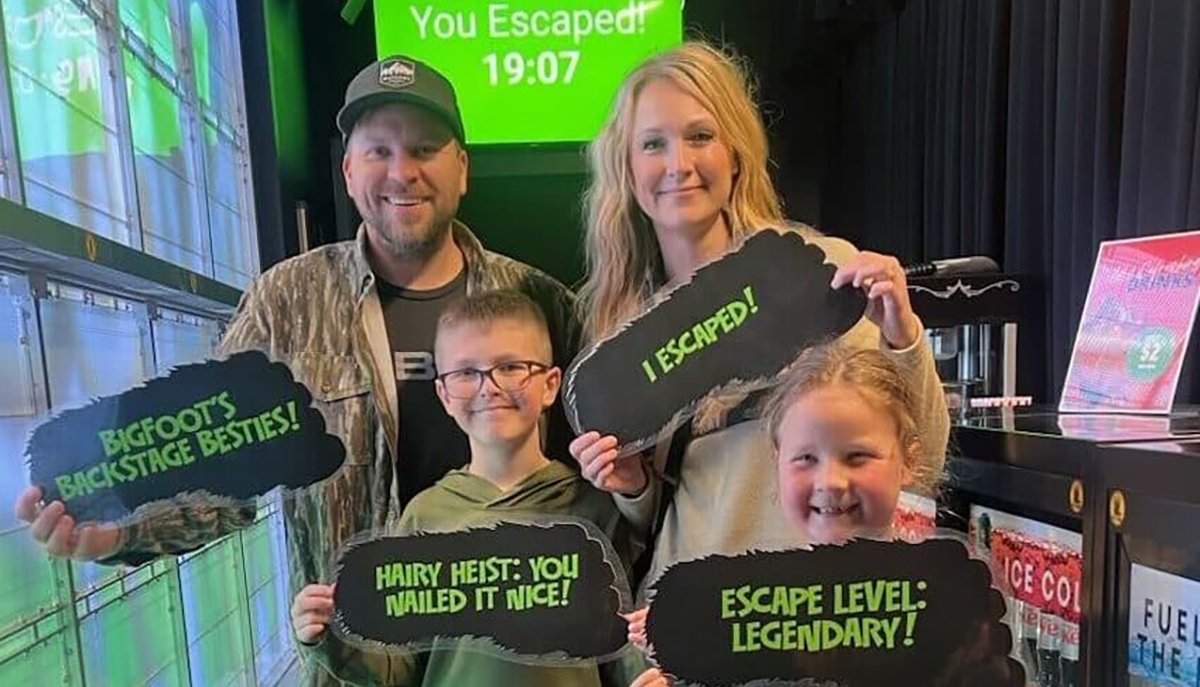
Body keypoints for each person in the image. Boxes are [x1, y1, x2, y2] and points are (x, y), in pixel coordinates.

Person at [15, 55, 581, 686]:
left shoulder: (541, 300)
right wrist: (118, 529)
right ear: (348, 169)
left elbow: (600, 489)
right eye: (379, 151)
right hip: (348, 664)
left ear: (462, 168)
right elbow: (225, 470)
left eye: (425, 148)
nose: (403, 171)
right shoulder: (285, 303)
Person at [569, 41, 950, 593]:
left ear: (735, 151)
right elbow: (656, 521)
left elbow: (926, 458)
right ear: (626, 168)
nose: (679, 164)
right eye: (653, 144)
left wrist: (902, 334)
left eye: (701, 136)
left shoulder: (819, 278)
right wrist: (631, 487)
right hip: (694, 628)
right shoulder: (616, 324)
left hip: (810, 621)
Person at [292, 291, 648, 686]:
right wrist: (331, 638)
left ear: (550, 385)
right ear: (444, 394)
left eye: (511, 366)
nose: (489, 387)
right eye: (465, 372)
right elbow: (402, 668)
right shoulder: (424, 517)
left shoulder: (594, 508)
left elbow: (622, 646)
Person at [625, 343, 938, 649]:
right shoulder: (754, 602)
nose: (830, 482)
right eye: (806, 458)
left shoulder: (930, 607)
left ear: (908, 460)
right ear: (778, 460)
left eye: (858, 456)